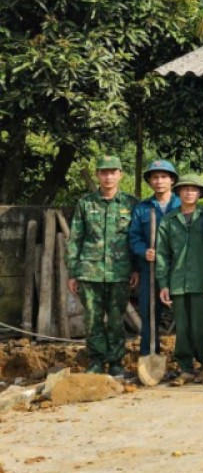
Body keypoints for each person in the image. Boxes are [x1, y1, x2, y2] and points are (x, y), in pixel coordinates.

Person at [65, 155, 139, 378]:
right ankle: (96, 361)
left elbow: (135, 238)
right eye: (104, 172)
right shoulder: (86, 203)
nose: (108, 176)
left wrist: (136, 268)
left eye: (112, 172)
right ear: (97, 175)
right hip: (90, 273)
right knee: (93, 320)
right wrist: (73, 272)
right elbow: (75, 238)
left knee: (116, 321)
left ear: (120, 175)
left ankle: (116, 363)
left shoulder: (130, 203)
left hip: (120, 273)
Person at [155, 174, 203, 385]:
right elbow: (162, 254)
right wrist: (163, 284)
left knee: (201, 328)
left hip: (201, 281)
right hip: (178, 282)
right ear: (178, 192)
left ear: (200, 194)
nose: (189, 192)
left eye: (194, 189)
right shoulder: (169, 220)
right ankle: (186, 368)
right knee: (182, 328)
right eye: (185, 189)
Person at [128, 159, 180, 360]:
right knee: (150, 316)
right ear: (150, 181)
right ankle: (149, 356)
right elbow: (133, 237)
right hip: (149, 270)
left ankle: (185, 362)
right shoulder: (143, 208)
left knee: (184, 317)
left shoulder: (182, 204)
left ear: (172, 180)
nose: (159, 181)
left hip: (178, 270)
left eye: (164, 177)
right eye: (155, 177)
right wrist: (143, 251)